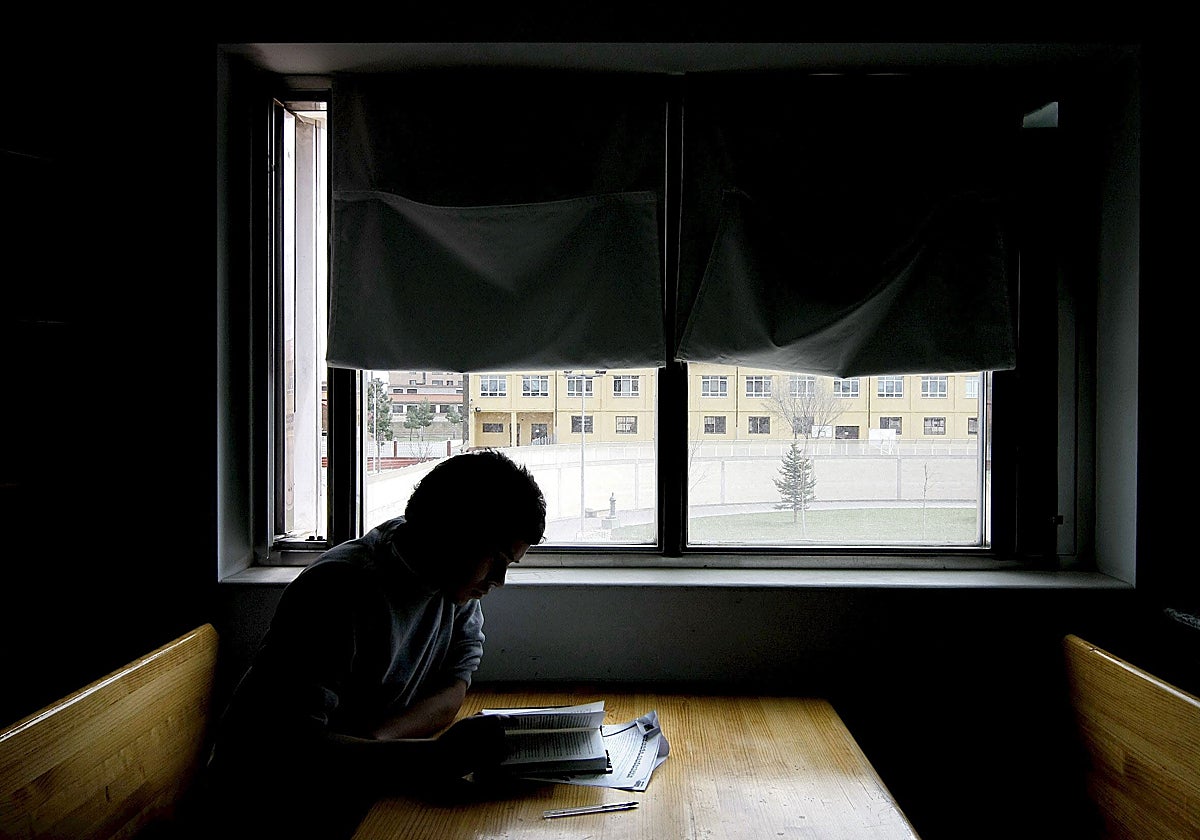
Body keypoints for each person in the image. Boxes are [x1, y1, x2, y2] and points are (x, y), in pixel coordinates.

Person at [200, 449, 546, 839]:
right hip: (261, 809)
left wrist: (380, 743)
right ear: (453, 530)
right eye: (496, 558)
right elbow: (289, 751)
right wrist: (430, 759)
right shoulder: (337, 592)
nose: (498, 580)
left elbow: (454, 686)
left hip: (347, 790)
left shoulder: (456, 587)